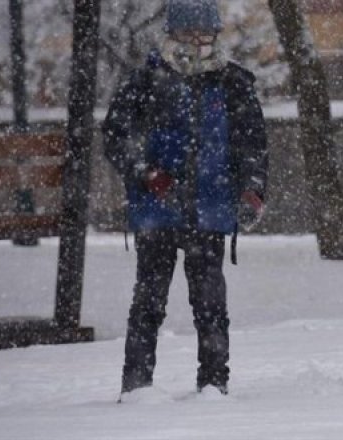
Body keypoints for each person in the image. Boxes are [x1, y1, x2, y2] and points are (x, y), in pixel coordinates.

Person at [102, 0, 268, 399]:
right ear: (171, 34)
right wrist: (147, 173)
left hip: (210, 209)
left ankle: (214, 383)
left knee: (210, 304)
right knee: (148, 302)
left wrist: (252, 190)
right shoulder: (145, 81)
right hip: (156, 210)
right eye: (187, 33)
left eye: (205, 34)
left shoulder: (232, 82)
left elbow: (253, 144)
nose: (197, 42)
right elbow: (115, 136)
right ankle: (137, 385)